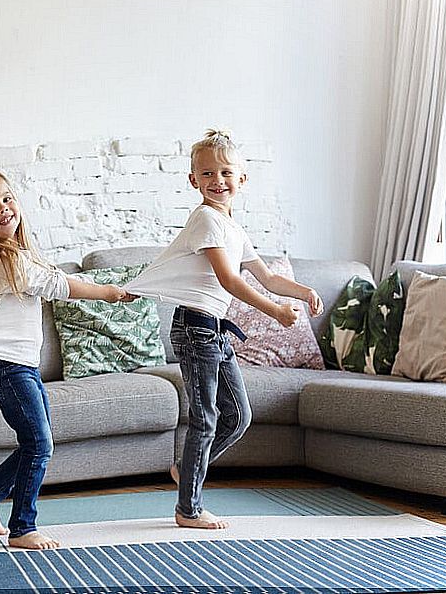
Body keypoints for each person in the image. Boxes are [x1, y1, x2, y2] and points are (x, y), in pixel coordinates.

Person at [126, 129, 324, 529]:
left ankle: (187, 469)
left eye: (226, 172)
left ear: (242, 180)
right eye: (207, 173)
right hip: (195, 329)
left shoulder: (234, 229)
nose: (217, 180)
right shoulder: (205, 220)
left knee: (239, 416)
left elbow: (266, 277)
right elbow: (231, 281)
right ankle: (189, 509)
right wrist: (276, 313)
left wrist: (304, 292)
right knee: (206, 417)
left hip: (215, 331)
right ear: (193, 181)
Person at [0, 170, 135, 550]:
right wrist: (107, 291)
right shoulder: (2, 261)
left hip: (21, 369)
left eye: (7, 199)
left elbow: (52, 277)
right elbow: (60, 286)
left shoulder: (22, 255)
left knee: (35, 443)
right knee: (40, 445)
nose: (3, 209)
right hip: (8, 371)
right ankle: (23, 527)